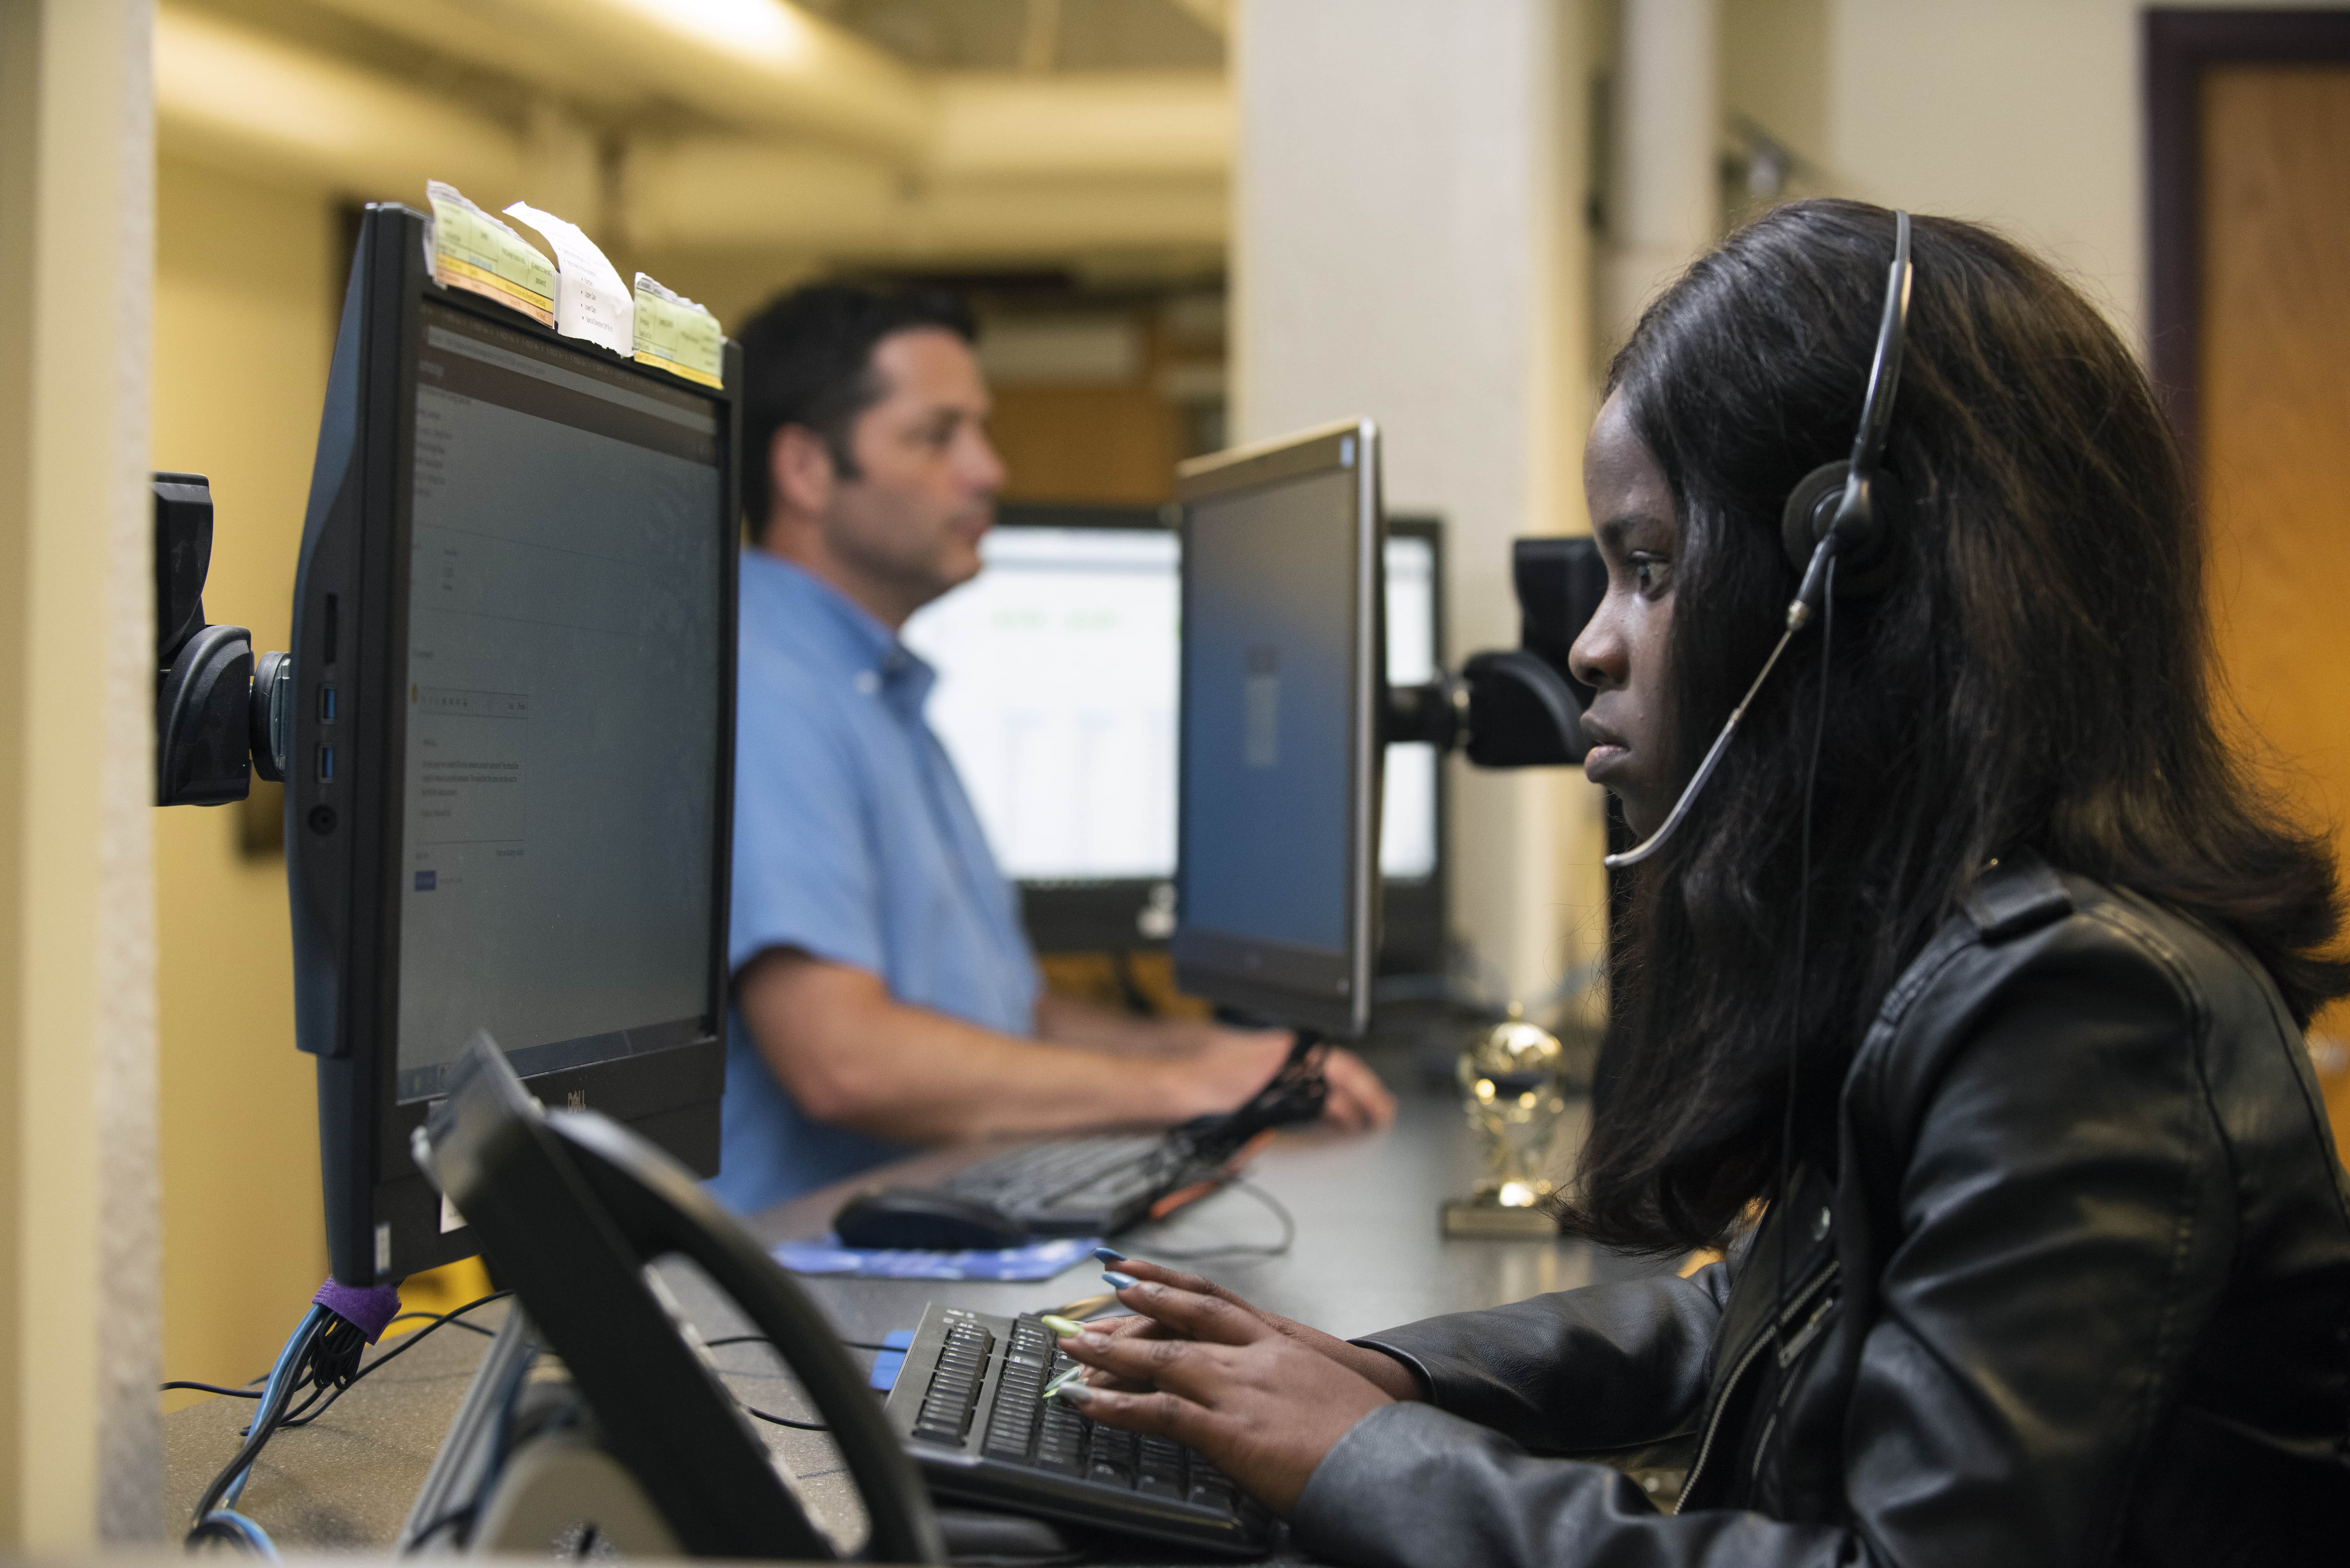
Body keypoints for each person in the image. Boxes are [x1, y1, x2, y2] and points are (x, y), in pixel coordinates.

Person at [1041, 201, 2350, 1564]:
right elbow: (1762, 1310)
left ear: (1843, 587)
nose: (1590, 647)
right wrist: (1387, 1383)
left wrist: (1354, 1455)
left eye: (1650, 567)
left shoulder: (2080, 1003)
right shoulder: (1963, 940)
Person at [710, 283, 1394, 1214]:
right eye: (936, 436)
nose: (988, 470)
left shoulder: (874, 689)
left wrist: (1216, 1059)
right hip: (788, 1294)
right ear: (803, 469)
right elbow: (844, 1062)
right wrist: (1185, 1092)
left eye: (980, 433)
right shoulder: (764, 681)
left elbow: (1012, 1017)